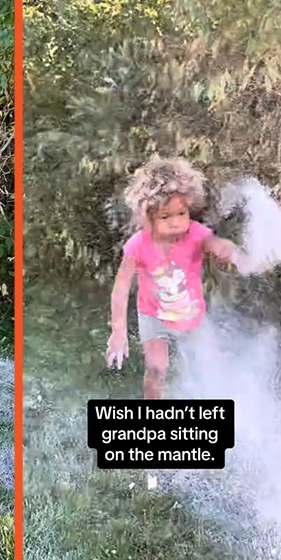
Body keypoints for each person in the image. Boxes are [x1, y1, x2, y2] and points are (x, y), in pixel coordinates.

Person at [106, 155, 240, 399]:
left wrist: (233, 253)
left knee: (211, 367)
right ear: (149, 216)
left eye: (182, 213)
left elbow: (216, 244)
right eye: (166, 217)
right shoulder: (138, 245)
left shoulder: (196, 234)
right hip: (154, 317)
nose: (177, 223)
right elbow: (121, 288)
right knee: (156, 369)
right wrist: (118, 331)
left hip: (192, 317)